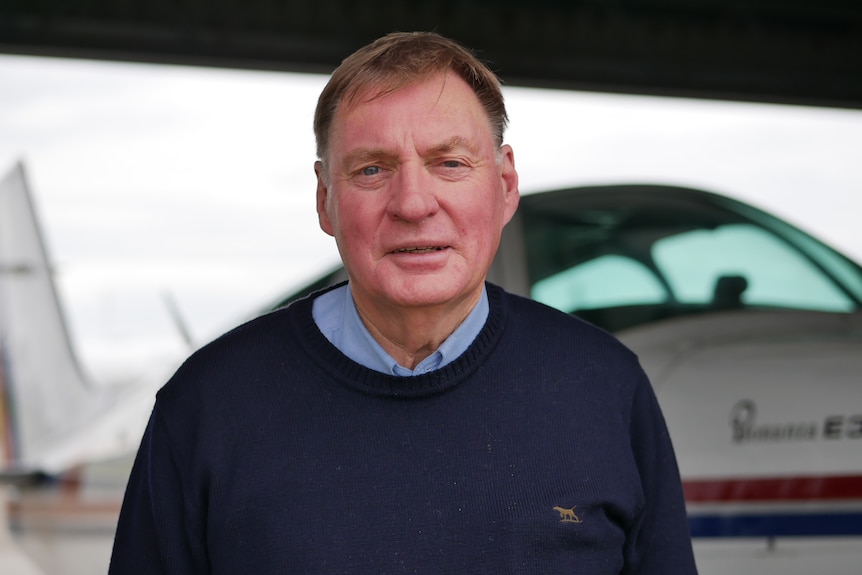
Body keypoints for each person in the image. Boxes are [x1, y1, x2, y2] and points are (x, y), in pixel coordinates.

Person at [109, 31, 698, 574]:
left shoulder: (605, 387)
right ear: (324, 201)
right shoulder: (208, 406)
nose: (414, 203)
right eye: (372, 169)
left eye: (450, 163)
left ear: (506, 183)